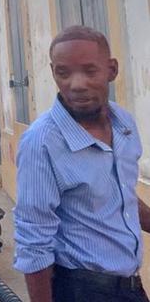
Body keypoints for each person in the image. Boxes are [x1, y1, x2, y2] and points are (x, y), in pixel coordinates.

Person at [14, 26, 150, 302]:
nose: (76, 84)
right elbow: (34, 242)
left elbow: (121, 197)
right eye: (63, 73)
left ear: (111, 70)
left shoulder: (124, 125)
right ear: (53, 72)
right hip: (81, 290)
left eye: (90, 71)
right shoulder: (42, 142)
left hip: (130, 288)